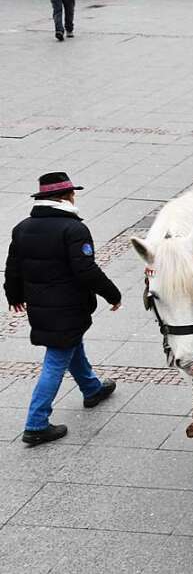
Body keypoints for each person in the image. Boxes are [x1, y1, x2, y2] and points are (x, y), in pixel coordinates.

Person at [4, 172, 120, 446]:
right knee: (56, 360)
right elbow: (86, 270)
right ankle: (36, 423)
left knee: (69, 344)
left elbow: (13, 267)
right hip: (68, 307)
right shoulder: (74, 229)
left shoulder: (22, 227)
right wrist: (112, 294)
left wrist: (14, 295)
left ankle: (92, 389)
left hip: (42, 307)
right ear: (67, 196)